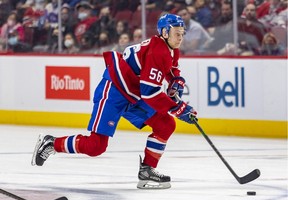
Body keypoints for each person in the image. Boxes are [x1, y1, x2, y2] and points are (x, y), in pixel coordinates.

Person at [31, 14, 198, 189]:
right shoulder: (158, 51)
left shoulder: (170, 48)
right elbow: (150, 93)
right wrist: (178, 108)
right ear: (165, 32)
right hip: (114, 91)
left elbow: (171, 68)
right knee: (96, 146)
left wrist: (176, 80)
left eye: (182, 33)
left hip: (133, 94)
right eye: (177, 33)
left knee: (165, 124)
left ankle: (147, 171)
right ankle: (51, 143)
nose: (180, 38)